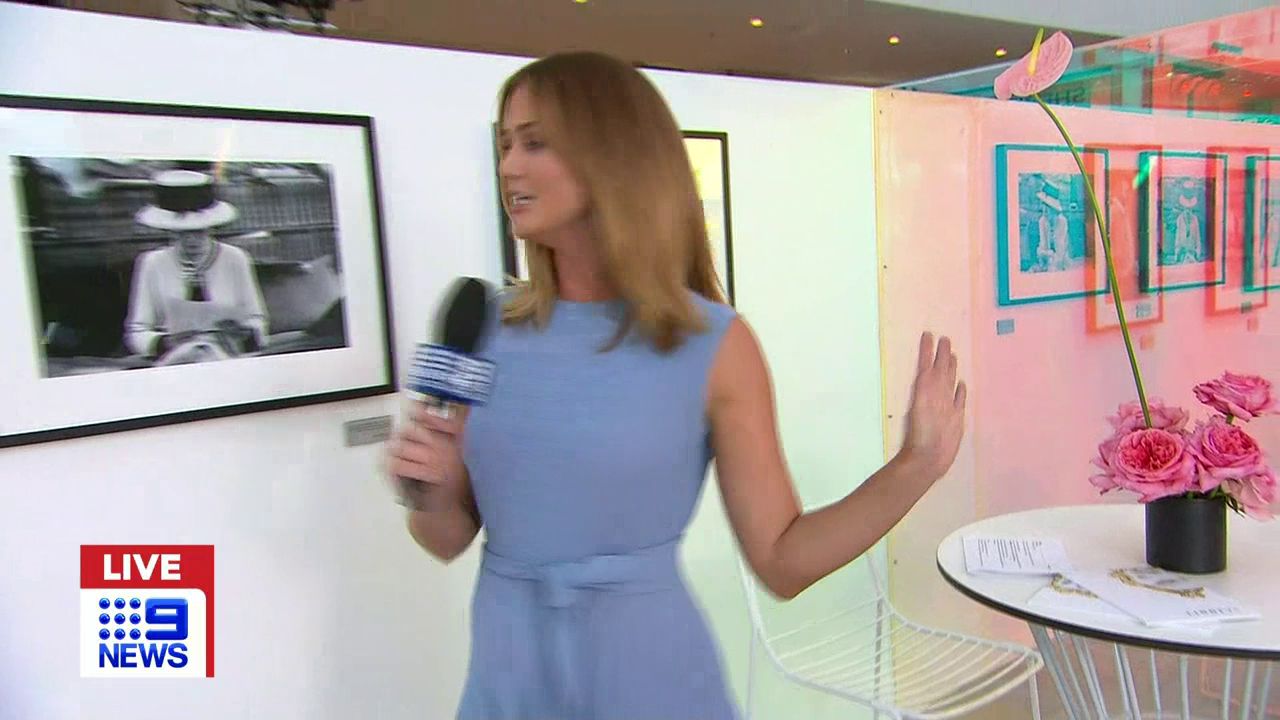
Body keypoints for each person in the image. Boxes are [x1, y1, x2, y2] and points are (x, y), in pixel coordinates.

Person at [386, 51, 966, 720]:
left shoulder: (714, 345)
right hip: (510, 683)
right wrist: (431, 493)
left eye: (535, 143)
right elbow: (446, 537)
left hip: (650, 682)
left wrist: (918, 464)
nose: (509, 165)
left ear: (613, 157)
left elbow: (783, 561)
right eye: (506, 144)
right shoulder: (486, 327)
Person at [123, 168, 269, 362]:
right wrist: (163, 343)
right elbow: (137, 330)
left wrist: (244, 334)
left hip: (228, 356)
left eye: (199, 231)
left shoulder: (235, 258)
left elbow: (257, 320)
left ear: (211, 227)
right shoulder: (152, 263)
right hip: (175, 360)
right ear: (169, 230)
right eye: (182, 233)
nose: (191, 240)